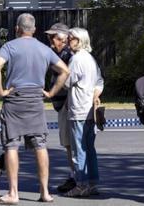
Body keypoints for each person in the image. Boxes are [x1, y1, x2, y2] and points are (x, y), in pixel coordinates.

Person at [0, 13, 70, 204]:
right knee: (40, 146)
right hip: (36, 100)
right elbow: (65, 71)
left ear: (17, 29)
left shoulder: (9, 46)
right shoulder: (43, 49)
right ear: (33, 30)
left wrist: (1, 91)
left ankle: (13, 193)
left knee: (11, 146)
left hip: (15, 100)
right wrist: (50, 93)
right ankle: (44, 192)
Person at [44, 27, 103, 197]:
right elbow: (99, 80)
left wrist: (54, 84)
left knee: (79, 149)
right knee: (90, 148)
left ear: (80, 40)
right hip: (89, 108)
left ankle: (81, 183)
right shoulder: (90, 58)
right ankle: (92, 182)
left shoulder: (76, 59)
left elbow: (67, 82)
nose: (68, 41)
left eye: (72, 39)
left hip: (78, 108)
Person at [43, 22, 76, 193]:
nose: (50, 42)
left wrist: (50, 93)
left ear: (63, 39)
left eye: (53, 38)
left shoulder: (68, 55)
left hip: (67, 104)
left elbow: (67, 78)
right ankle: (75, 176)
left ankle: (76, 178)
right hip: (62, 104)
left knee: (71, 144)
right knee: (69, 143)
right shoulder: (59, 54)